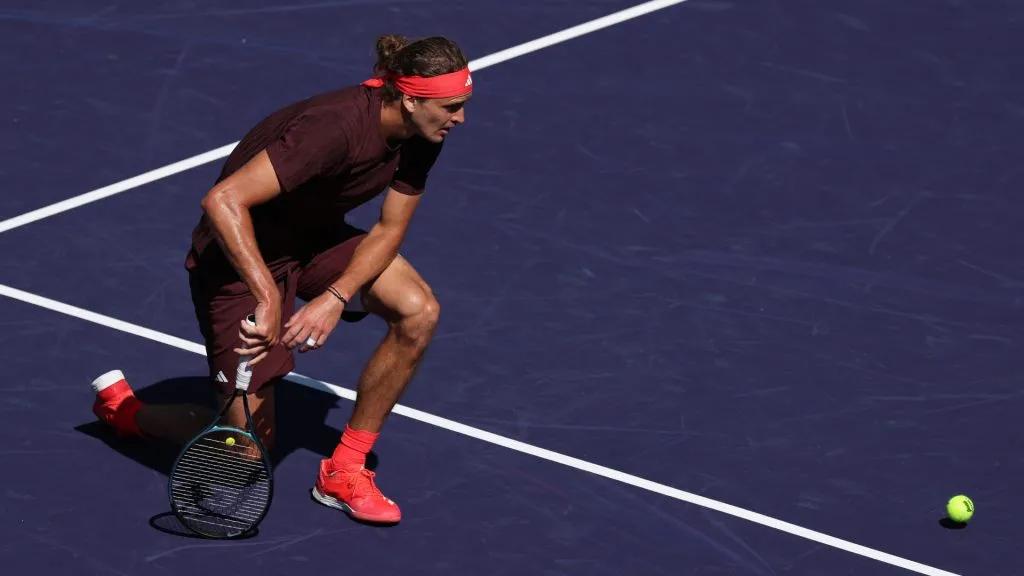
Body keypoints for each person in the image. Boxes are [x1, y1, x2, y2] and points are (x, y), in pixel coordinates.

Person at [87, 34, 474, 525]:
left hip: (312, 240)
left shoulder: (423, 134)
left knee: (418, 311)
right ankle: (127, 413)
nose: (460, 119)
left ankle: (345, 468)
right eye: (453, 106)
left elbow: (390, 228)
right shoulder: (333, 128)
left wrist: (335, 296)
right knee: (246, 451)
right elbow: (223, 201)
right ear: (411, 98)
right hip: (237, 256)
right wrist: (270, 296)